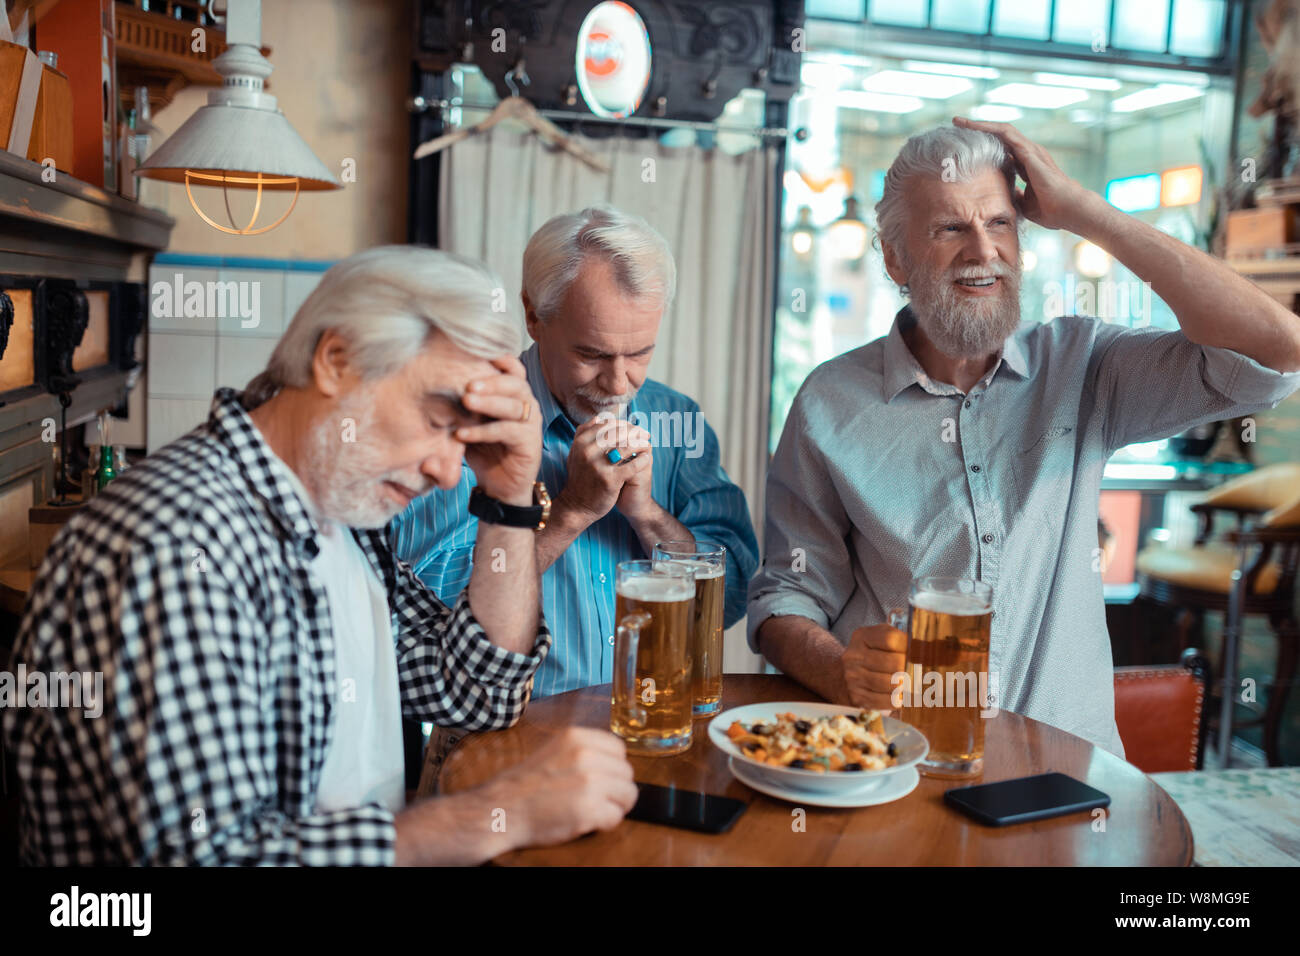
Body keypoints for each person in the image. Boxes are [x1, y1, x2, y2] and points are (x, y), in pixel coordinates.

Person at [3, 247, 638, 865]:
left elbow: (474, 691)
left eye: (469, 436)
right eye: (440, 415)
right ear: (336, 359)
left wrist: (508, 500)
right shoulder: (178, 543)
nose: (452, 472)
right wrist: (495, 814)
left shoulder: (340, 513)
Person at [748, 120, 1300, 755]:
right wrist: (836, 668)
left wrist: (1088, 213)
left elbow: (1276, 356)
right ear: (895, 257)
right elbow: (785, 595)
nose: (983, 251)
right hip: (895, 764)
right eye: (950, 228)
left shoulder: (1084, 363)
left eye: (1000, 223)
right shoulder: (828, 402)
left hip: (1065, 774)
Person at [392, 205, 759, 698]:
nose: (618, 382)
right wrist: (571, 512)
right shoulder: (462, 421)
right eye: (591, 355)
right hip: (506, 745)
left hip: (653, 731)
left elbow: (733, 597)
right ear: (532, 316)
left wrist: (648, 517)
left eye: (640, 353)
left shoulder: (678, 418)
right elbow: (425, 616)